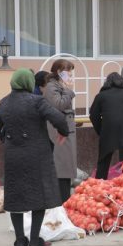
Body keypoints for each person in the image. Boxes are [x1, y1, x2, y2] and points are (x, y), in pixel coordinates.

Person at [0, 69, 69, 246]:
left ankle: (20, 241)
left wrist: (9, 141)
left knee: (15, 195)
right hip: (37, 154)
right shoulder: (36, 101)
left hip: (13, 155)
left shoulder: (3, 102)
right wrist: (63, 132)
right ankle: (35, 240)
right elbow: (58, 117)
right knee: (39, 195)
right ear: (29, 83)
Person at [89, 73, 123, 180]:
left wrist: (101, 131)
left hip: (109, 130)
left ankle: (99, 186)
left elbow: (93, 115)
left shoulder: (101, 96)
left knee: (104, 160)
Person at [43, 59, 77, 203]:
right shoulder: (51, 87)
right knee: (62, 166)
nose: (70, 74)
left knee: (66, 167)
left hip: (64, 128)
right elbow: (59, 105)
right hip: (59, 131)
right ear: (59, 72)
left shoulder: (59, 85)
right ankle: (62, 202)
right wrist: (69, 90)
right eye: (68, 71)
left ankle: (64, 200)